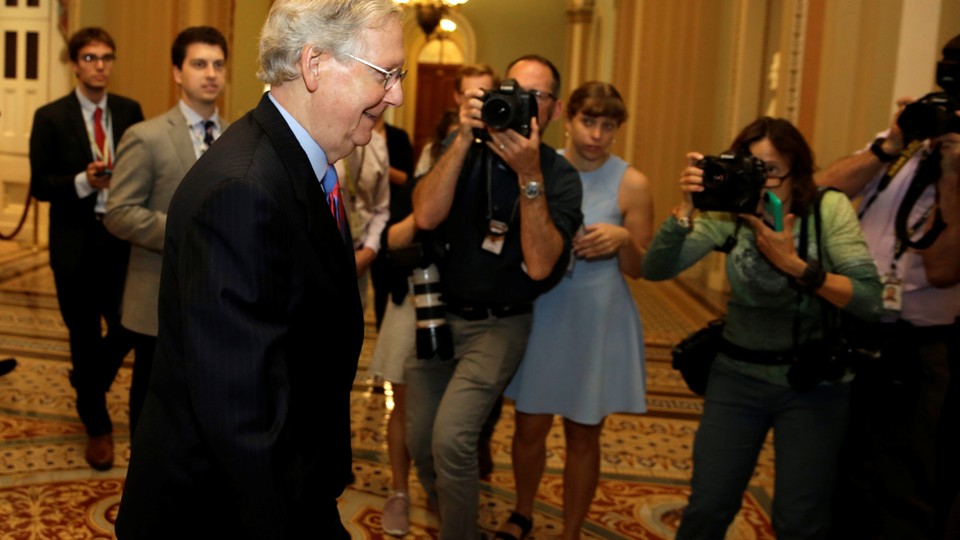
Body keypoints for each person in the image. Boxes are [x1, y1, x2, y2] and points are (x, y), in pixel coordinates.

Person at [115, 1, 405, 538]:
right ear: (314, 64)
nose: (397, 95)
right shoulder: (244, 190)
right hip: (225, 513)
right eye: (386, 74)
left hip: (285, 484)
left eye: (400, 75)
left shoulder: (300, 163)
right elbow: (240, 415)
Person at [642, 117, 881, 539]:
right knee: (707, 507)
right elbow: (655, 269)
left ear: (797, 172)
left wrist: (795, 266)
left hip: (812, 385)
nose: (761, 180)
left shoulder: (827, 210)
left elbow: (868, 298)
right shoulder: (730, 214)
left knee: (799, 519)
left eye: (770, 170)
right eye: (750, 166)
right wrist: (687, 207)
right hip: (737, 378)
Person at [408, 54, 583, 540]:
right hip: (437, 316)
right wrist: (464, 137)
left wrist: (529, 175)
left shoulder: (559, 175)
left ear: (552, 109)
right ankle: (459, 524)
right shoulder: (463, 147)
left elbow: (543, 263)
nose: (522, 104)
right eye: (512, 92)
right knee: (420, 440)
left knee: (452, 440)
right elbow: (424, 215)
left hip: (500, 324)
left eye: (536, 97)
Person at [819, 34, 960, 540]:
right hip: (857, 329)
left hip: (916, 351)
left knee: (902, 486)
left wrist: (953, 168)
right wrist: (891, 144)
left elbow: (946, 268)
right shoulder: (909, 138)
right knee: (839, 474)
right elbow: (824, 191)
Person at [500, 81, 653, 540]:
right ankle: (523, 511)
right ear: (568, 120)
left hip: (599, 316)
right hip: (546, 308)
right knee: (530, 424)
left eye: (608, 126)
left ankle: (570, 531)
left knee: (584, 432)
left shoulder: (633, 182)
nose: (596, 135)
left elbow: (640, 269)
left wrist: (623, 240)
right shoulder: (544, 166)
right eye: (588, 122)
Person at [369, 67, 498, 536]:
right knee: (405, 405)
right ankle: (401, 492)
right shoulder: (437, 153)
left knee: (454, 421)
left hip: (467, 304)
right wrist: (428, 218)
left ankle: (449, 495)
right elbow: (396, 233)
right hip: (417, 300)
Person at [103, 25, 229, 437]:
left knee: (207, 409)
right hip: (157, 296)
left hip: (220, 304)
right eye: (198, 64)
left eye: (218, 64)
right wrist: (189, 232)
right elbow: (118, 213)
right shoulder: (147, 136)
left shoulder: (237, 139)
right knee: (152, 412)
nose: (210, 73)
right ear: (177, 72)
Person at [28, 27, 143, 471]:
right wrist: (83, 181)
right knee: (81, 334)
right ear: (74, 64)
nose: (100, 66)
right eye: (91, 58)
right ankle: (97, 427)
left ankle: (88, 382)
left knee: (127, 326)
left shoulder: (129, 111)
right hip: (74, 243)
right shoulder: (50, 117)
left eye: (107, 58)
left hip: (119, 239)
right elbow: (40, 185)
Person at [334, 116, 390, 309]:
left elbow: (381, 208)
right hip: (324, 258)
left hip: (360, 260)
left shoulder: (378, 145)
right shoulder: (323, 140)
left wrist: (369, 250)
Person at [370, 117, 415, 327]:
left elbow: (408, 178)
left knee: (383, 280)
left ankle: (382, 331)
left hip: (391, 215)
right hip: (361, 214)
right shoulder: (354, 129)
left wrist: (378, 165)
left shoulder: (398, 137)